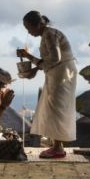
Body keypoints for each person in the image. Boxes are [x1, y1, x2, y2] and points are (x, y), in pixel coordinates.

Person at [16, 11, 77, 159]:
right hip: (59, 72)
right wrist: (35, 68)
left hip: (62, 73)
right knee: (54, 107)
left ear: (38, 24)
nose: (29, 32)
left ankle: (57, 148)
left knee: (57, 107)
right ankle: (57, 146)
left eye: (29, 28)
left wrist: (29, 57)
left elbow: (55, 58)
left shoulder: (49, 34)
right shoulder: (47, 34)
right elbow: (50, 59)